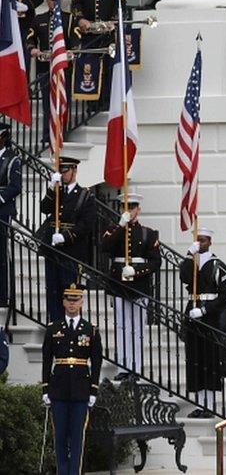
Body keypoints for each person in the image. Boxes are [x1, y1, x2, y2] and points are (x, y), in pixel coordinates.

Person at [41, 284, 102, 475]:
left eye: (76, 300)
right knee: (59, 436)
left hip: (81, 390)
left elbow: (97, 362)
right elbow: (46, 360)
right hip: (58, 389)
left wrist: (93, 389)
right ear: (63, 302)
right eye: (69, 300)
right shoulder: (53, 328)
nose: (72, 304)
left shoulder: (90, 330)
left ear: (82, 302)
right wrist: (45, 388)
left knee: (77, 437)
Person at [101, 193, 160, 380]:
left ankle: (135, 367)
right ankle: (123, 367)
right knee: (121, 326)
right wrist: (120, 224)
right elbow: (105, 246)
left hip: (138, 284)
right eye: (125, 207)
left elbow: (155, 261)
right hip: (118, 282)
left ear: (138, 209)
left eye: (132, 207)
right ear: (120, 209)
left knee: (137, 328)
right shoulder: (113, 229)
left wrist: (137, 271)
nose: (129, 211)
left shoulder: (148, 233)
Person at [180, 227, 226, 418]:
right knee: (195, 359)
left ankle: (209, 405)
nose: (199, 243)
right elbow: (184, 277)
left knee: (209, 359)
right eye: (197, 240)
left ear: (210, 242)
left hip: (209, 315)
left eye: (203, 240)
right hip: (193, 313)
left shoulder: (218, 265)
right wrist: (188, 254)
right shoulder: (192, 261)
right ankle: (200, 403)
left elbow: (224, 296)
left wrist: (204, 309)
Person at [38, 157, 96, 323]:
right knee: (54, 290)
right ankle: (56, 326)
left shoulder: (85, 195)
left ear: (74, 170)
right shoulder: (57, 191)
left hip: (72, 250)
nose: (62, 175)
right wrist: (51, 189)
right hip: (53, 249)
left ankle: (71, 327)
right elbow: (44, 209)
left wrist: (65, 236)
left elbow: (86, 224)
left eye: (65, 171)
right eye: (60, 171)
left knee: (70, 291)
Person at [71, 0, 125, 107]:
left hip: (108, 34)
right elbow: (76, 3)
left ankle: (106, 103)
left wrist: (113, 21)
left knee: (108, 68)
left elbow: (121, 3)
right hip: (88, 33)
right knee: (89, 66)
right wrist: (80, 19)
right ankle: (91, 104)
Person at [27, 0, 75, 143]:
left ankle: (62, 134)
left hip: (63, 68)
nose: (53, 2)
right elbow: (30, 38)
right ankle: (48, 136)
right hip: (44, 67)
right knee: (47, 105)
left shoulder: (69, 19)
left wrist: (72, 51)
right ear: (47, 0)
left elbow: (76, 40)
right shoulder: (38, 19)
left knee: (63, 101)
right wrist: (33, 49)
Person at [0, 124, 22, 308]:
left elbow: (15, 187)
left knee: (0, 253)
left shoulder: (12, 160)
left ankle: (2, 295)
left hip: (2, 209)